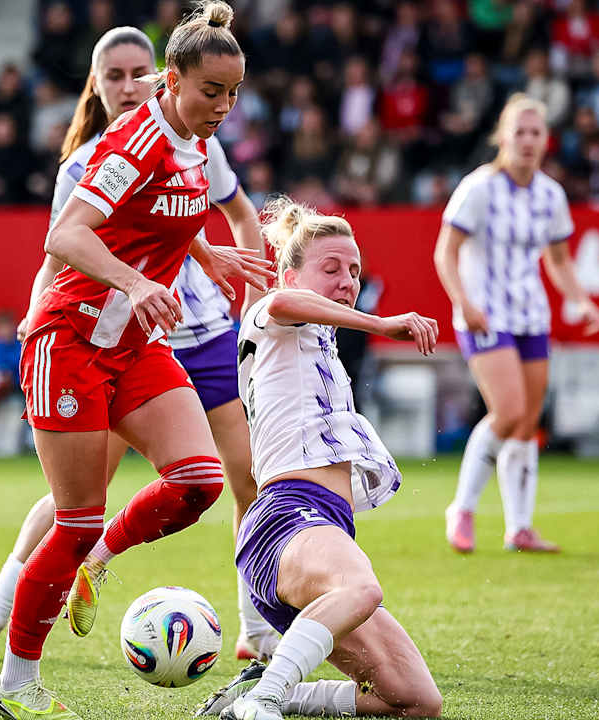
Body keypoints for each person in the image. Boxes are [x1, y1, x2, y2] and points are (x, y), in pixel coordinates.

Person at [0, 18, 274, 671]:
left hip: (195, 333)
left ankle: (258, 631)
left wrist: (225, 268)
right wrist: (43, 309)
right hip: (101, 333)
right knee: (75, 505)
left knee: (238, 480)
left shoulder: (197, 138)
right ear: (95, 88)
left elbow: (212, 214)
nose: (129, 85)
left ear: (159, 72)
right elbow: (67, 242)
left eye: (137, 72)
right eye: (114, 76)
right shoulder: (101, 155)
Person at [194, 197, 443, 720]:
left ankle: (254, 696)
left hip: (319, 529)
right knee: (362, 586)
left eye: (354, 270)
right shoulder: (270, 314)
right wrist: (378, 323)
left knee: (417, 702)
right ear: (289, 274)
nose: (347, 280)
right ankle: (262, 702)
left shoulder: (317, 344)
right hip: (284, 519)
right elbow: (282, 305)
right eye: (330, 268)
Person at [434, 94, 599, 554]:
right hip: (485, 313)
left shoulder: (551, 194)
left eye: (536, 133)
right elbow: (445, 251)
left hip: (531, 314)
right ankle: (463, 508)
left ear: (546, 140)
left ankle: (520, 527)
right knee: (507, 413)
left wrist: (581, 301)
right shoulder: (478, 188)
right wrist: (462, 301)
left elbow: (559, 260)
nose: (528, 141)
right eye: (519, 133)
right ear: (503, 138)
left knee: (527, 423)